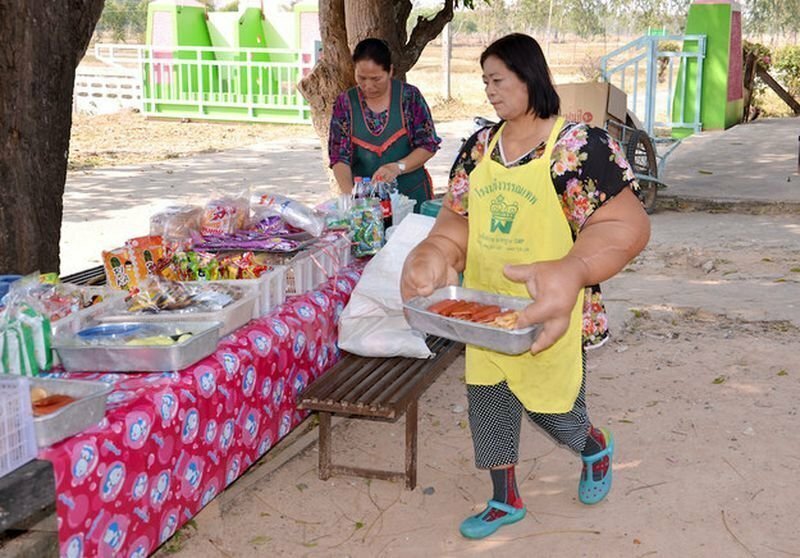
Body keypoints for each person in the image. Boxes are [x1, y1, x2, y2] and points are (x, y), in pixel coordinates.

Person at [400, 33, 651, 539]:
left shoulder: (578, 146)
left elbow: (627, 225)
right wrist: (435, 253)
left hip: (549, 312)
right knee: (488, 409)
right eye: (485, 81)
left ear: (529, 75)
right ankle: (504, 499)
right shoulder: (479, 148)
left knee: (556, 413)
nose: (490, 91)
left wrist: (573, 269)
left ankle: (594, 447)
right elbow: (455, 223)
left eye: (498, 79)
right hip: (488, 311)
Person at [328, 38, 441, 210]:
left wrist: (398, 167)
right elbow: (339, 157)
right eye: (361, 77)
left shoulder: (409, 97)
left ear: (390, 71)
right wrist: (351, 196)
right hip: (366, 202)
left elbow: (427, 145)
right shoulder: (345, 104)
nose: (368, 85)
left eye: (376, 79)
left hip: (412, 197)